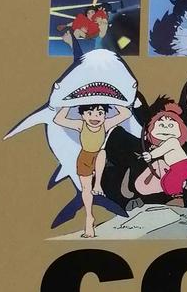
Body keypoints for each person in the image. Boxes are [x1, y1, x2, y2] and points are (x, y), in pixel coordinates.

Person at [53, 97, 132, 237]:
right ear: (83, 115)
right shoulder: (80, 125)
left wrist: (111, 99)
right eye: (90, 113)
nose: (95, 117)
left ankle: (98, 185)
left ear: (105, 115)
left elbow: (126, 113)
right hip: (85, 158)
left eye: (100, 113)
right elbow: (58, 119)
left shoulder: (106, 124)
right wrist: (69, 103)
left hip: (100, 158)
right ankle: (89, 217)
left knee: (102, 152)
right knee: (85, 189)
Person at [133, 100, 187, 206]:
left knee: (170, 180)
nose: (165, 129)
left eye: (171, 126)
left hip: (181, 166)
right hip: (175, 167)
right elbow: (160, 148)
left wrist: (151, 155)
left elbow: (162, 150)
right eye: (161, 125)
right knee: (164, 181)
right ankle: (173, 196)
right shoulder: (163, 143)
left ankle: (178, 198)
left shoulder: (172, 141)